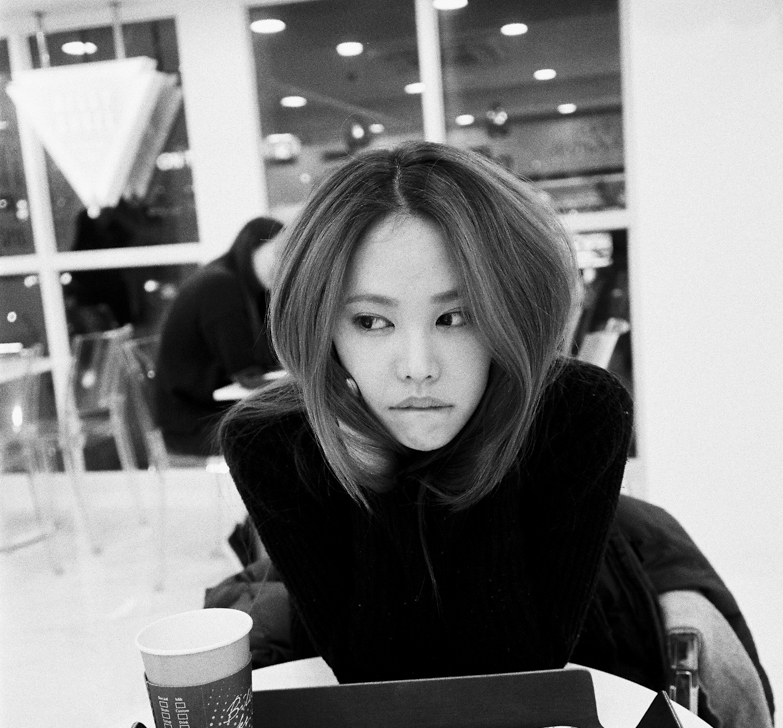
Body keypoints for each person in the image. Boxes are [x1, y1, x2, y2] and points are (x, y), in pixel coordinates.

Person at [220, 142, 633, 681]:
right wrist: (374, 477)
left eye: (455, 317)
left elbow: (520, 675)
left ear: (511, 311)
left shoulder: (577, 413)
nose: (417, 368)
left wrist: (488, 448)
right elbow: (371, 679)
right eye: (371, 322)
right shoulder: (272, 442)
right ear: (321, 327)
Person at [155, 216, 285, 457]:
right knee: (295, 433)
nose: (283, 266)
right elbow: (247, 370)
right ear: (251, 246)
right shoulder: (220, 286)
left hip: (206, 415)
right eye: (278, 255)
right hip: (194, 425)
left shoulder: (243, 289)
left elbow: (265, 360)